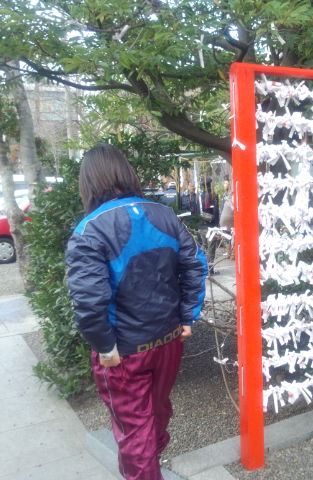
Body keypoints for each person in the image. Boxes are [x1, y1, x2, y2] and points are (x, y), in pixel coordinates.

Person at [65, 144, 207, 480]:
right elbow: (195, 265)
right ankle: (151, 463)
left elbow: (88, 301)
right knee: (156, 411)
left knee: (135, 429)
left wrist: (105, 347)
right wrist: (188, 316)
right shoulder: (164, 214)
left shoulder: (90, 229)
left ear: (89, 181)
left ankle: (146, 469)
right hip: (168, 340)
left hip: (125, 351)